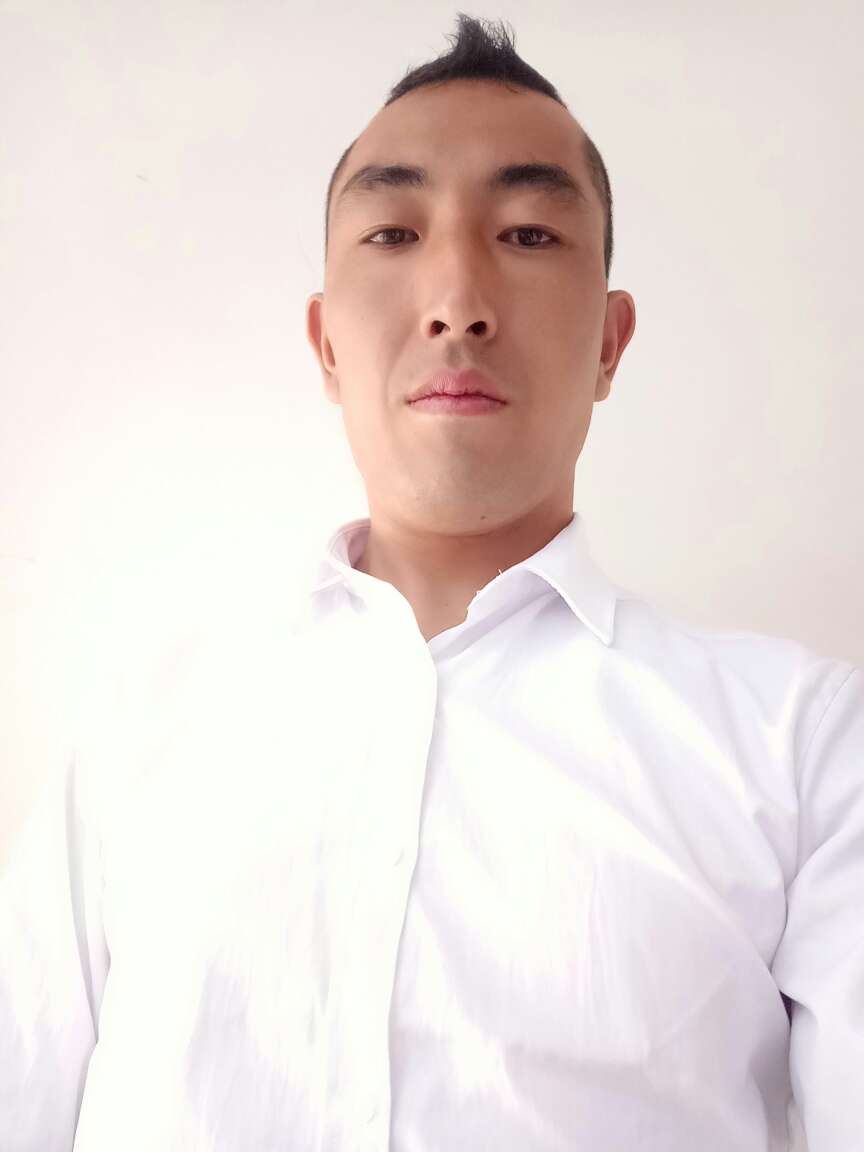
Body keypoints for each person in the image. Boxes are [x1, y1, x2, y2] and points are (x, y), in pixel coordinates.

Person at [1, 12, 861, 1151]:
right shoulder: (138, 721)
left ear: (611, 344)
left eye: (529, 233)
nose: (458, 300)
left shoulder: (804, 747)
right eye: (394, 232)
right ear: (326, 344)